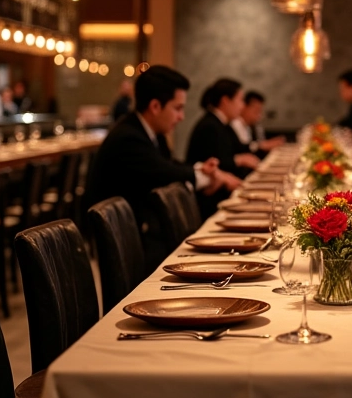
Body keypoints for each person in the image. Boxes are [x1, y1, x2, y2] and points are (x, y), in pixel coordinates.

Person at [86, 65, 228, 270]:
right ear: (155, 106)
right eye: (178, 108)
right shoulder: (128, 137)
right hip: (128, 246)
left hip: (144, 235)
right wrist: (213, 177)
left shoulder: (150, 133)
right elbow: (164, 174)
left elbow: (169, 164)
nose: (181, 117)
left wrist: (203, 170)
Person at [186, 78, 260, 216]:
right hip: (210, 203)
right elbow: (217, 163)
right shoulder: (210, 125)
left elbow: (237, 150)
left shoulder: (222, 124)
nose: (242, 106)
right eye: (240, 100)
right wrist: (239, 160)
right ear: (226, 100)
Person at [230, 91, 285, 155]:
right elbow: (242, 150)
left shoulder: (250, 126)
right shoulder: (235, 124)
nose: (259, 115)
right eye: (256, 111)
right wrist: (262, 145)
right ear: (245, 107)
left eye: (260, 111)